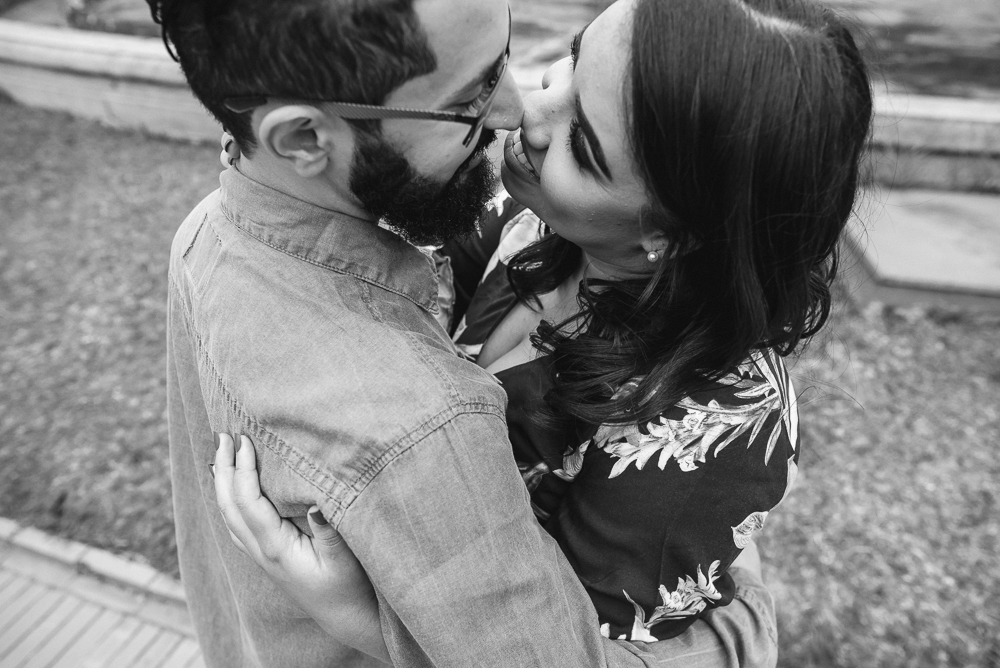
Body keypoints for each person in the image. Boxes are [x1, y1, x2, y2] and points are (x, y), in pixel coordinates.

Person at [211, 0, 873, 661]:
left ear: (669, 234)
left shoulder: (709, 434)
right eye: (571, 64)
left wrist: (356, 613)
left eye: (580, 146)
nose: (528, 113)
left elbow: (575, 652)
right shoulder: (527, 219)